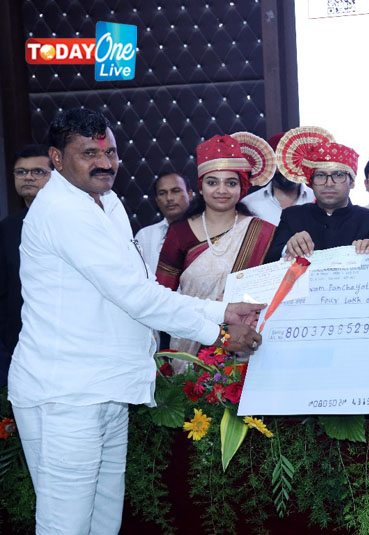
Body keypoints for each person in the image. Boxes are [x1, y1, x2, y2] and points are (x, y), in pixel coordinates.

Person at [8, 107, 264, 534]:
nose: (105, 163)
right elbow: (135, 297)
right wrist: (219, 332)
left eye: (109, 152)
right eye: (89, 153)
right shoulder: (61, 211)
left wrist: (221, 310)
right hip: (66, 395)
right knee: (65, 525)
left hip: (108, 386)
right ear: (57, 158)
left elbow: (144, 287)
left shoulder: (106, 202)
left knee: (104, 523)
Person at [157, 133, 278, 357]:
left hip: (248, 346)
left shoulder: (263, 232)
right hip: (191, 346)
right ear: (200, 188)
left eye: (231, 183)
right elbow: (161, 297)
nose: (221, 190)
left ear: (242, 188)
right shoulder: (179, 233)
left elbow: (275, 292)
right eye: (212, 182)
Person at [265, 126, 369, 262]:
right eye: (320, 175)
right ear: (310, 182)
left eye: (338, 175)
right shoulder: (292, 216)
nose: (329, 183)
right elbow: (270, 259)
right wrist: (288, 248)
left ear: (352, 182)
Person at [0, 144, 52, 386]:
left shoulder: (70, 221)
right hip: (19, 345)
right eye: (21, 172)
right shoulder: (7, 228)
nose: (28, 177)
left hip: (64, 338)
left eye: (38, 171)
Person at [241, 132, 315, 225]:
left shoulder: (318, 200)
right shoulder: (249, 204)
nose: (287, 168)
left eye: (293, 160)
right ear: (269, 163)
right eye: (280, 160)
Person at [134, 171, 194, 274]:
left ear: (190, 195)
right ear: (157, 200)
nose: (169, 198)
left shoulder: (205, 231)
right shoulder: (145, 235)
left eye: (175, 191)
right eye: (162, 193)